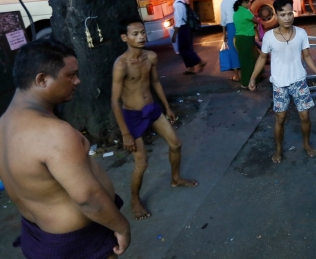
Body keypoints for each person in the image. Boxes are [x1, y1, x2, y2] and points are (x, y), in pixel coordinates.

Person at [0, 39, 130, 258]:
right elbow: (88, 197)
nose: (77, 81)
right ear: (41, 79)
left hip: (37, 237)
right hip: (77, 243)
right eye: (70, 75)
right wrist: (122, 227)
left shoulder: (3, 123)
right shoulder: (53, 132)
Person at [112, 17, 198, 220]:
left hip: (152, 109)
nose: (141, 36)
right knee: (141, 164)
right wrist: (125, 133)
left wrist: (167, 107)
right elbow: (115, 101)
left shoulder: (150, 57)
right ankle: (135, 199)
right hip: (132, 115)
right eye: (135, 34)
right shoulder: (121, 65)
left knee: (176, 144)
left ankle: (175, 179)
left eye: (143, 32)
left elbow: (155, 82)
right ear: (124, 38)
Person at [248, 0, 316, 163]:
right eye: (283, 15)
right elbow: (262, 58)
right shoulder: (269, 37)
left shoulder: (301, 33)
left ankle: (306, 144)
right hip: (280, 84)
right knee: (280, 119)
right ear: (276, 15)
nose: (287, 18)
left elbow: (307, 55)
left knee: (305, 117)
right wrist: (253, 77)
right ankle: (279, 149)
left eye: (290, 13)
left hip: (299, 81)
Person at [170, 0, 206, 74]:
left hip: (183, 29)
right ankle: (191, 68)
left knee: (183, 50)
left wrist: (174, 34)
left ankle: (200, 62)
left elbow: (178, 22)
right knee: (187, 48)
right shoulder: (182, 2)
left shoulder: (177, 5)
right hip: (187, 27)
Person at [233, 0, 261, 89]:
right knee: (249, 62)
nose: (250, 3)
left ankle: (254, 78)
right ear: (244, 2)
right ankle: (246, 83)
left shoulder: (237, 11)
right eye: (249, 1)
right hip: (246, 39)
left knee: (246, 61)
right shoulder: (245, 11)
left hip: (239, 39)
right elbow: (257, 21)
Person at [221, 0, 242, 82]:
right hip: (241, 26)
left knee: (233, 51)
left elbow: (223, 21)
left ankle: (237, 76)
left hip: (230, 28)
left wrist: (224, 35)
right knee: (244, 50)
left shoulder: (224, 2)